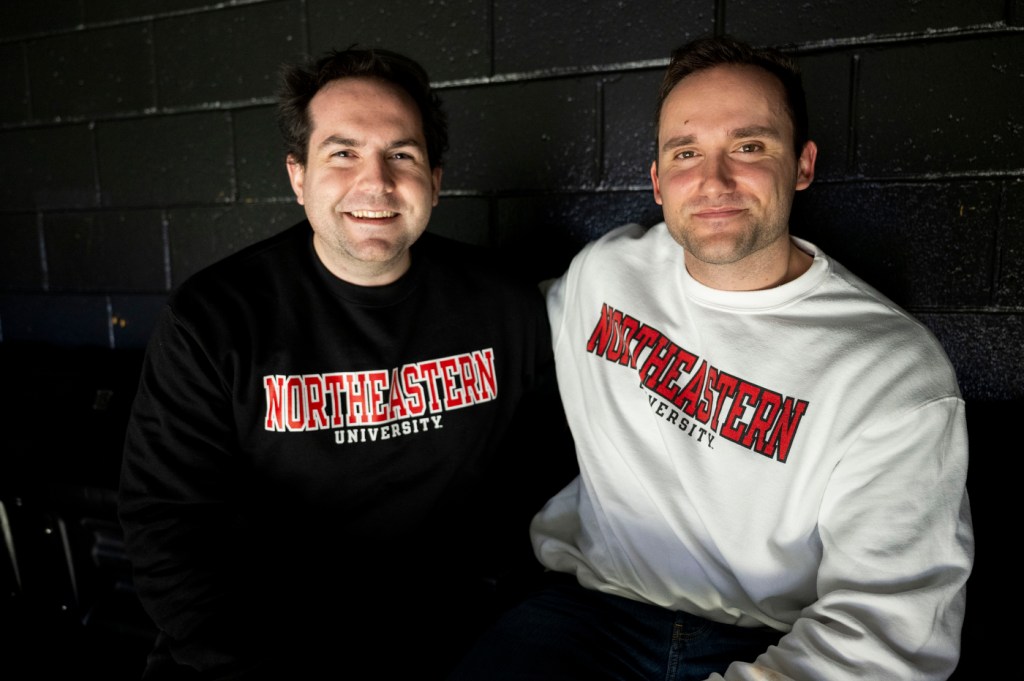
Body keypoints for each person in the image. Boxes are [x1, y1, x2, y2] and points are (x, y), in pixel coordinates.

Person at [448, 35, 974, 681]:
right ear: (659, 180)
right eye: (686, 152)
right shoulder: (606, 274)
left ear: (803, 165)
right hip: (590, 611)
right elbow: (482, 332)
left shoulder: (890, 368)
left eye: (749, 147)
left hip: (771, 639)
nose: (713, 180)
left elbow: (890, 628)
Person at [118, 46, 572, 680]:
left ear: (435, 181)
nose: (377, 181)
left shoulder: (504, 306)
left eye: (402, 155)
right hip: (257, 651)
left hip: (450, 645)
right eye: (343, 152)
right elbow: (167, 526)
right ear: (298, 175)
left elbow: (540, 484)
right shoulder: (216, 315)